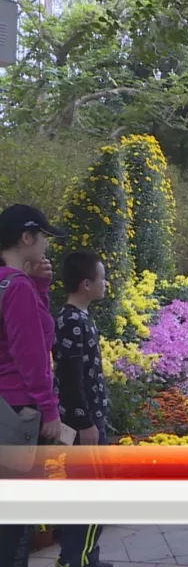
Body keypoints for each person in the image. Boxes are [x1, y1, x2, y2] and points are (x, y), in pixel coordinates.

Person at [0, 205, 66, 567]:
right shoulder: (17, 287)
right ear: (26, 238)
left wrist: (40, 286)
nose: (46, 246)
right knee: (13, 525)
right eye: (43, 237)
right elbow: (33, 353)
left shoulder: (8, 282)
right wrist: (49, 408)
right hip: (17, 413)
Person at [53, 250, 111, 567]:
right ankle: (78, 560)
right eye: (102, 278)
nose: (106, 283)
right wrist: (86, 423)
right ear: (86, 284)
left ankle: (79, 557)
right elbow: (70, 379)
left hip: (88, 421)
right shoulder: (72, 322)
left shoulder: (77, 318)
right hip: (83, 425)